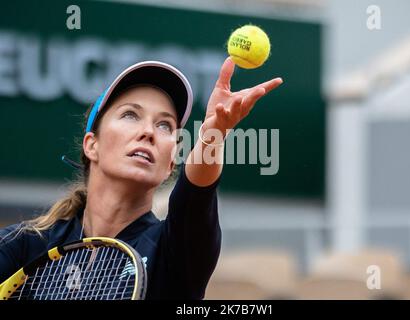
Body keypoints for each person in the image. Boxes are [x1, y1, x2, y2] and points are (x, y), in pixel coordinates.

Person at [0, 57, 283, 299]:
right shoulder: (26, 244)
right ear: (92, 145)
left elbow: (195, 197)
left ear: (171, 162)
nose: (148, 132)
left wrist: (214, 134)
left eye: (164, 125)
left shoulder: (172, 250)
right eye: (131, 115)